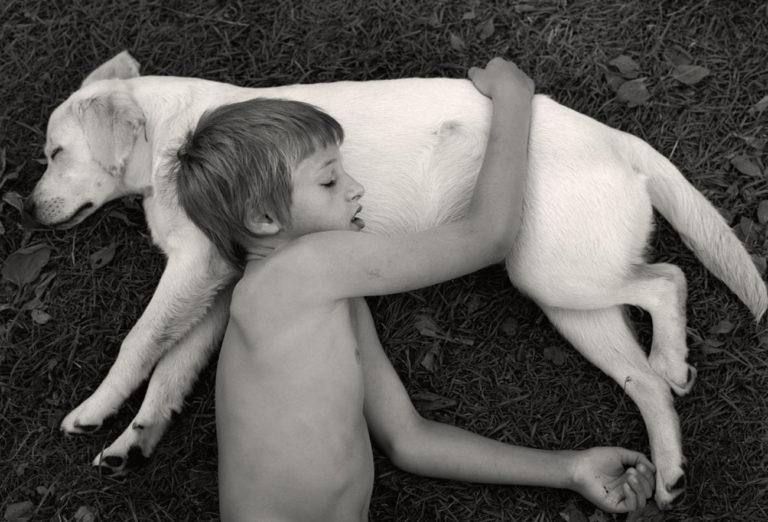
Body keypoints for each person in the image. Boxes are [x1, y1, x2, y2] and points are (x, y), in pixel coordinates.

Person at [170, 58, 655, 521]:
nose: (356, 188)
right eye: (330, 180)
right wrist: (514, 100)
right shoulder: (305, 267)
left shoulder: (322, 298)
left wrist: (570, 469)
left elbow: (409, 439)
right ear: (264, 219)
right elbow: (486, 237)